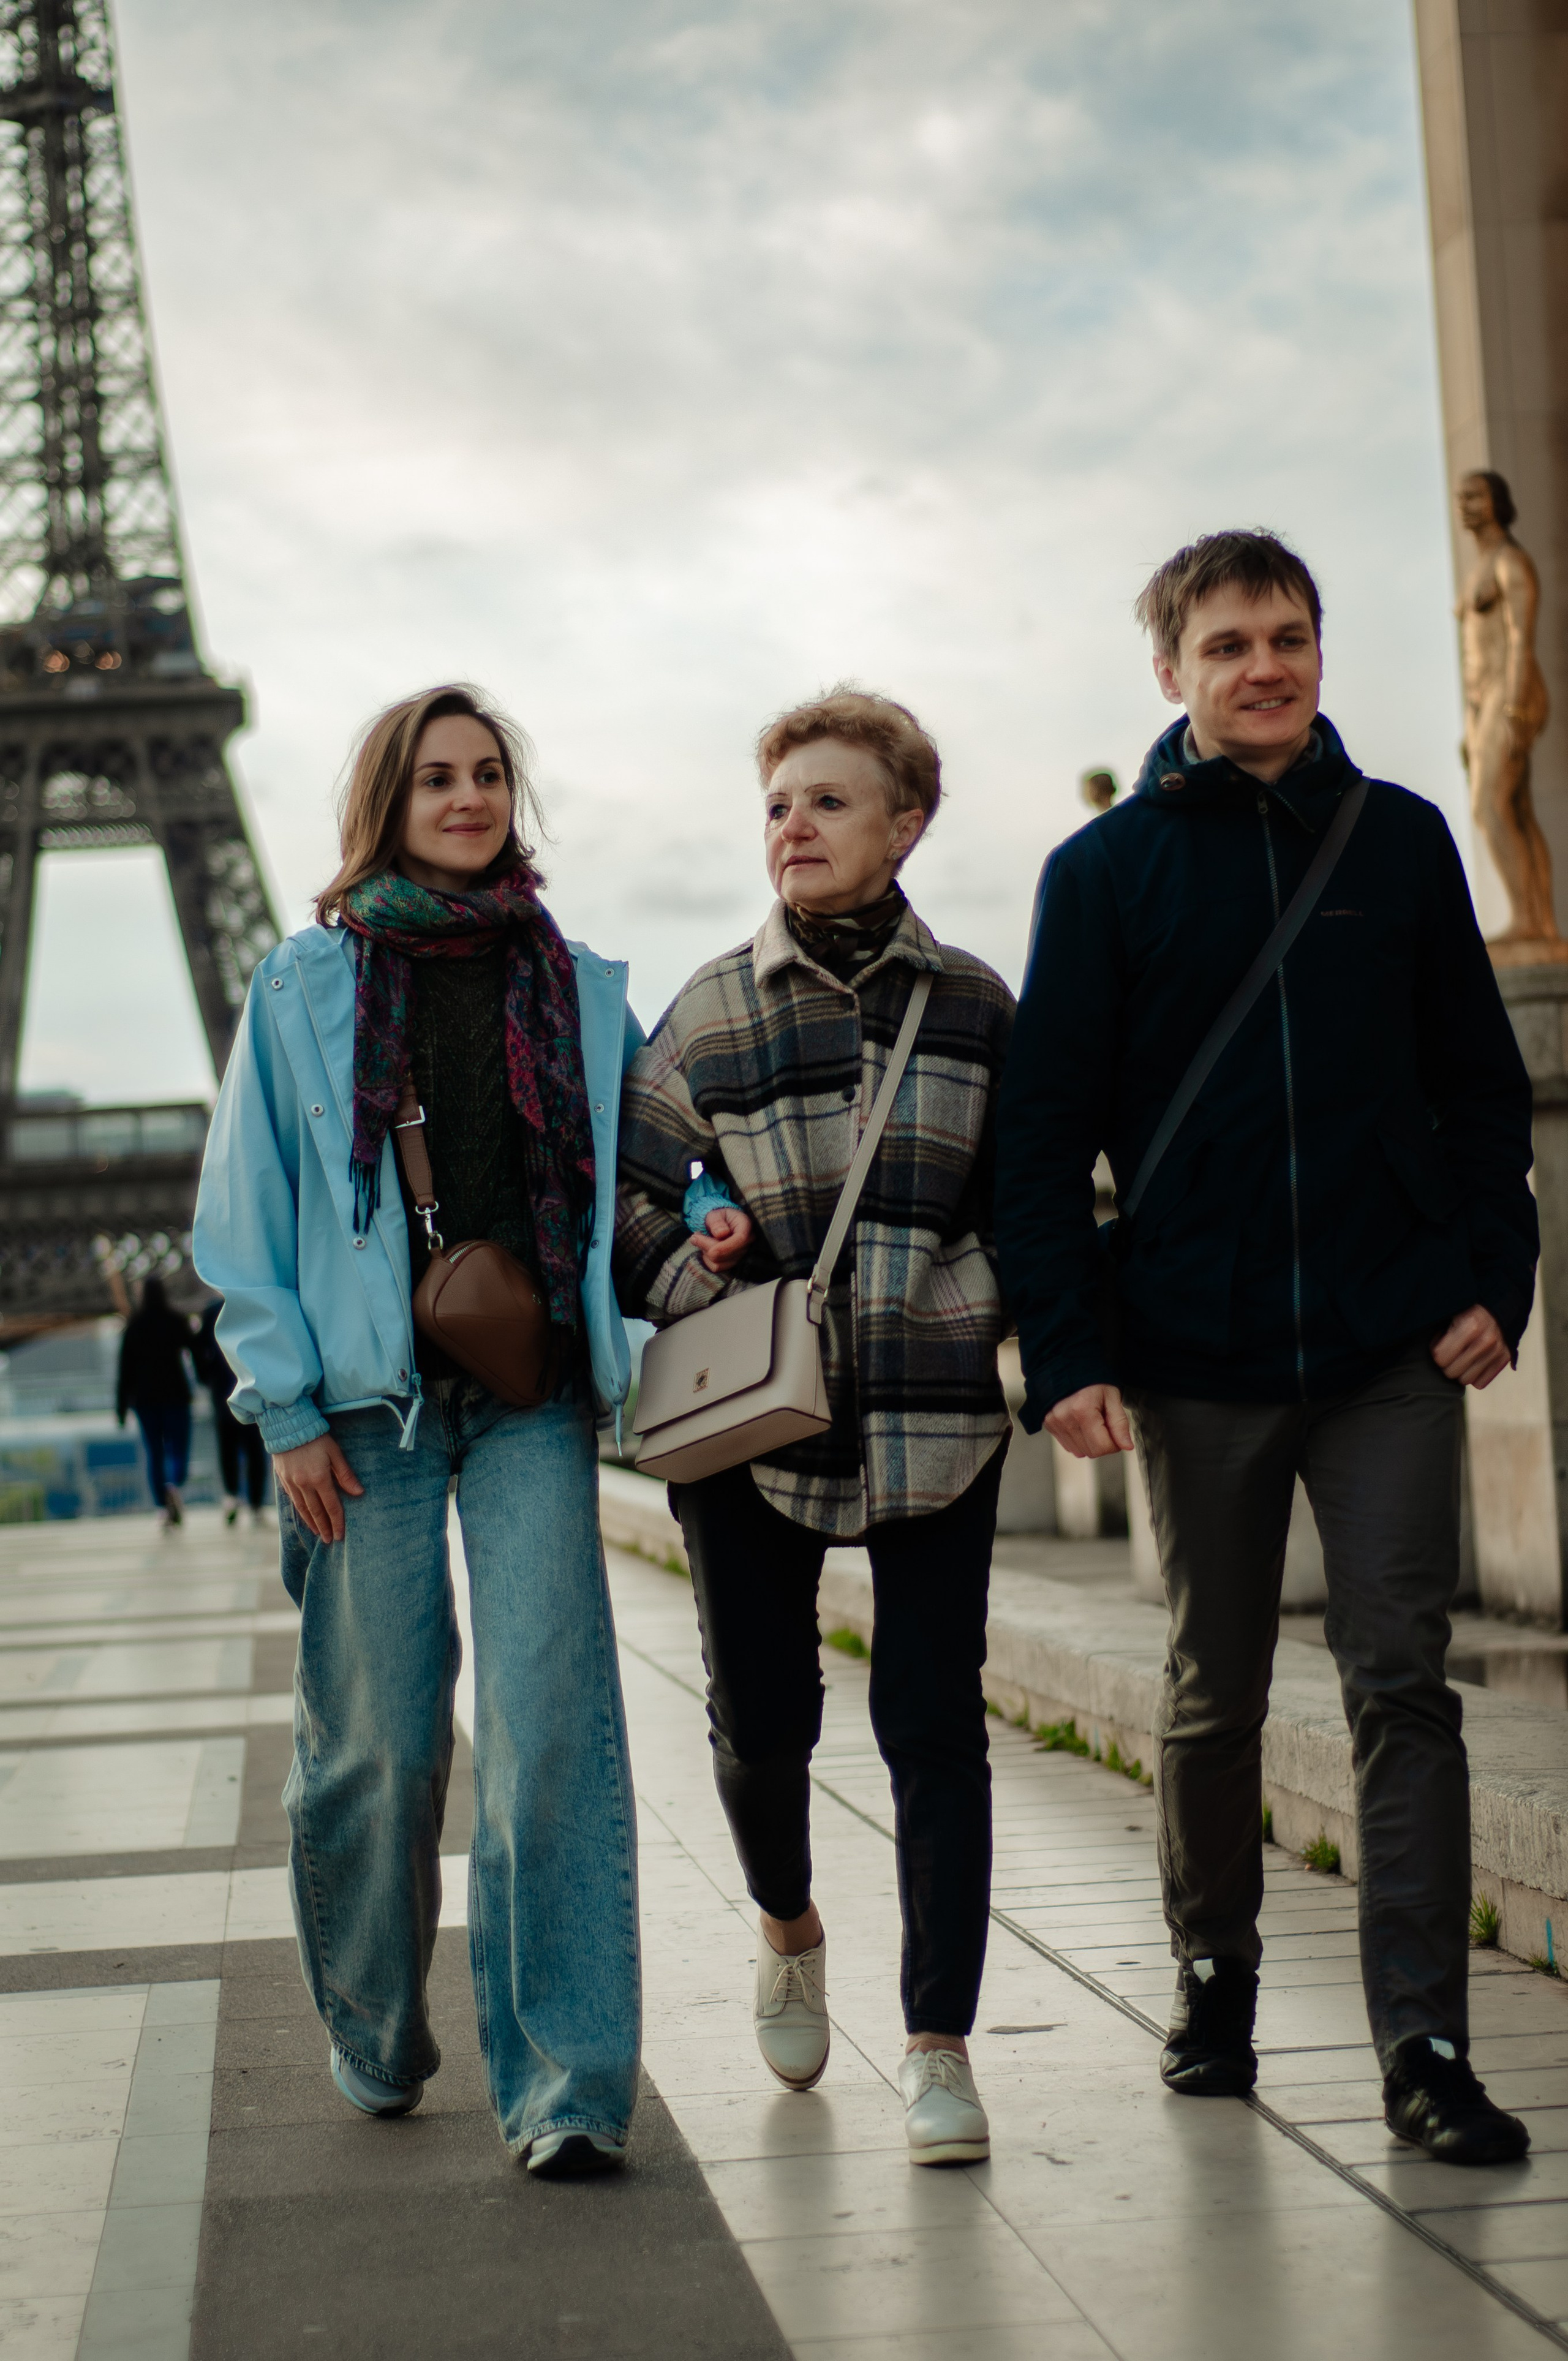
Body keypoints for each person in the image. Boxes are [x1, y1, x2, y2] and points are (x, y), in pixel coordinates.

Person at [996, 530, 1539, 2167]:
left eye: (1288, 636)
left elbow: (1484, 1092)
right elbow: (1040, 1140)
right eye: (1227, 643)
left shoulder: (1405, 841)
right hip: (1194, 1352)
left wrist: (1494, 1280)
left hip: (1386, 1345)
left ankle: (1424, 2040)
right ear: (1170, 670)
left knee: (1404, 1686)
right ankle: (1215, 1965)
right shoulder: (1100, 875)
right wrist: (1071, 1342)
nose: (1264, 666)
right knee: (1212, 1689)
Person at [193, 684, 643, 2176]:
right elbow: (241, 1216)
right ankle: (377, 2021)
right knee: (378, 1745)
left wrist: (696, 1226)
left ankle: (566, 2082)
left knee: (549, 1734)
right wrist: (285, 1409)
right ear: (386, 798)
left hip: (527, 1401)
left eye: (491, 771)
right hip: (361, 1415)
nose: (468, 795)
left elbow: (656, 1154)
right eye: (438, 775)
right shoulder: (302, 987)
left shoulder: (574, 982)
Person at [616, 687, 1014, 2166]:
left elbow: (1028, 1199)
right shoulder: (705, 1010)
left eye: (829, 800)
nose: (793, 823)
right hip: (748, 1411)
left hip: (931, 1408)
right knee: (760, 1716)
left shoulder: (974, 1006)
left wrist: (968, 1301)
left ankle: (937, 2045)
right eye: (779, 802)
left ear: (904, 823)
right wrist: (695, 1271)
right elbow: (627, 1207)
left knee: (929, 1722)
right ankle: (785, 1920)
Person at [116, 1276, 195, 1527]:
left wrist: (121, 1407)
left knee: (154, 1452)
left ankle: (161, 1506)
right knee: (178, 1447)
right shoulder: (175, 1321)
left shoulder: (134, 1326)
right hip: (175, 1395)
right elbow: (194, 1350)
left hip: (145, 1399)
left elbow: (124, 1370)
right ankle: (174, 1483)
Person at [192, 1297, 269, 1526]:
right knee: (255, 1449)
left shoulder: (211, 1311)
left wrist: (206, 1377)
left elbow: (197, 1348)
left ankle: (231, 1496)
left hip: (222, 1391)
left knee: (227, 1447)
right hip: (250, 1385)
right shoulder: (249, 1307)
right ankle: (256, 1504)